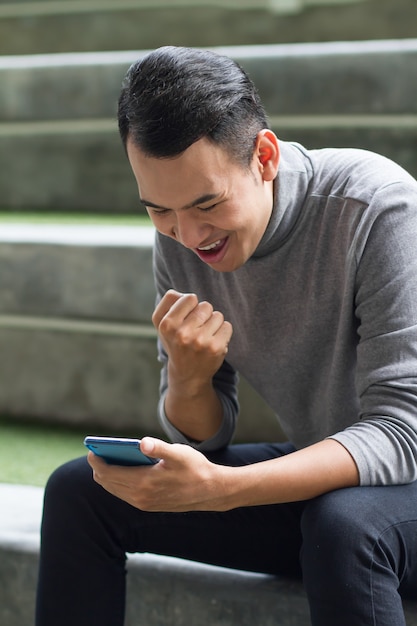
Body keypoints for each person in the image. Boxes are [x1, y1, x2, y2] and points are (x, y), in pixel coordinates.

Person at [35, 45, 417, 626]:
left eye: (206, 203)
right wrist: (189, 380)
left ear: (264, 157)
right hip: (336, 489)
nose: (188, 234)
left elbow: (402, 432)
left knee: (344, 525)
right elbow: (204, 441)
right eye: (158, 209)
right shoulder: (181, 236)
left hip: (385, 497)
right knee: (82, 493)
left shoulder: (377, 208)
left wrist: (223, 490)